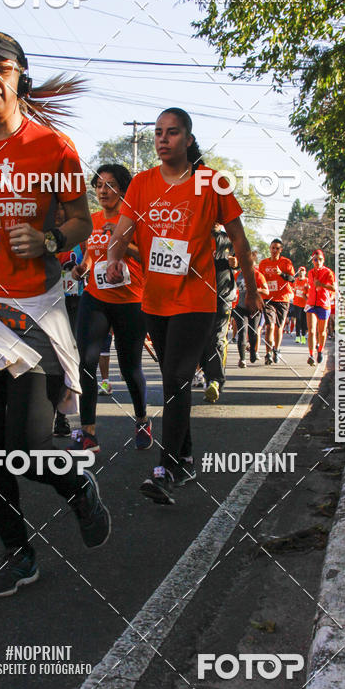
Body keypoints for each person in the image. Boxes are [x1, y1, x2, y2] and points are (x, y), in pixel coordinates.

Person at [0, 31, 110, 597]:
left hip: (33, 310)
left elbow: (81, 222)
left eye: (1, 68)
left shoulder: (53, 148)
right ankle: (18, 552)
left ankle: (77, 488)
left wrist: (50, 237)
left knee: (26, 447)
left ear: (19, 78)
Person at [106, 107, 261, 504]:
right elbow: (122, 231)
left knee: (175, 380)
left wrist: (251, 287)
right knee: (173, 381)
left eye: (172, 133)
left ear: (188, 140)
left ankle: (166, 470)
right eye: (158, 132)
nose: (162, 139)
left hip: (196, 298)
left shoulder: (212, 183)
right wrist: (114, 257)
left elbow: (240, 241)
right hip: (154, 300)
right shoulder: (141, 184)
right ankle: (187, 458)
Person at [69, 164, 151, 452]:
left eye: (111, 185)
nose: (104, 191)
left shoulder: (134, 220)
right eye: (99, 185)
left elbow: (150, 258)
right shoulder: (89, 221)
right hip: (96, 298)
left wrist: (122, 239)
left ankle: (142, 419)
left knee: (130, 369)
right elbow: (92, 254)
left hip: (130, 301)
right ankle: (88, 433)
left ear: (123, 190)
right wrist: (83, 268)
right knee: (87, 363)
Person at [53, 203, 86, 437]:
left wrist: (80, 269)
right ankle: (51, 415)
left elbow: (91, 262)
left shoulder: (81, 235)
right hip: (47, 304)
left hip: (75, 302)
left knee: (69, 357)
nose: (59, 212)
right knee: (50, 359)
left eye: (63, 207)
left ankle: (62, 417)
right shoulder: (40, 232)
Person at [200, 223, 238, 402]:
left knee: (216, 337)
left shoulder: (229, 238)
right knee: (200, 339)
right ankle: (208, 377)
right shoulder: (195, 236)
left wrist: (236, 264)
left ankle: (215, 381)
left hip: (223, 295)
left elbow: (243, 259)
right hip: (198, 295)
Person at [258, 239, 296, 364]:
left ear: (281, 250)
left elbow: (292, 279)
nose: (274, 250)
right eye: (273, 247)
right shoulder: (263, 263)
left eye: (277, 248)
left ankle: (276, 350)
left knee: (279, 327)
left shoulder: (286, 262)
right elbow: (258, 279)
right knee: (269, 326)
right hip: (268, 299)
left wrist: (281, 273)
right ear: (270, 248)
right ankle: (268, 353)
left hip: (282, 299)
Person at [233, 251, 269, 367]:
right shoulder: (237, 275)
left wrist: (255, 290)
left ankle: (253, 351)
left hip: (254, 307)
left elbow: (266, 291)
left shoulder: (258, 275)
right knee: (242, 332)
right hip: (240, 307)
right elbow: (232, 288)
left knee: (253, 332)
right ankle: (242, 358)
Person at [305, 249, 336, 365]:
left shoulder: (328, 272)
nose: (318, 262)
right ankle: (311, 355)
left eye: (320, 259)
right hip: (311, 304)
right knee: (312, 330)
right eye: (315, 260)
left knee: (321, 331)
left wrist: (322, 285)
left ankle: (320, 350)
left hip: (323, 305)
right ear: (312, 261)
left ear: (323, 260)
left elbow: (334, 288)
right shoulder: (310, 272)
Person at [291, 266, 309, 344]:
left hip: (305, 303)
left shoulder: (307, 281)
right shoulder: (295, 281)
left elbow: (310, 291)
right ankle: (298, 336)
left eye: (303, 271)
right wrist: (293, 291)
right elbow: (292, 289)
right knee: (298, 319)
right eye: (300, 271)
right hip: (297, 303)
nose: (301, 272)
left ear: (305, 272)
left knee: (304, 321)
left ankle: (303, 337)